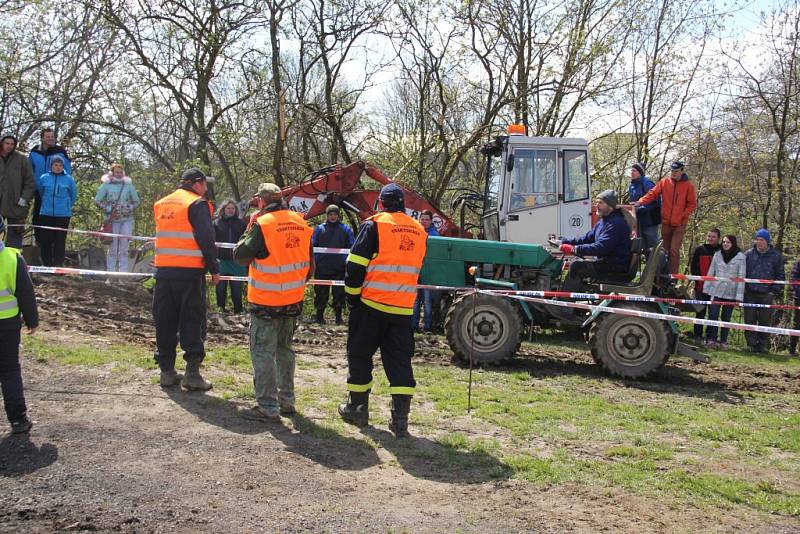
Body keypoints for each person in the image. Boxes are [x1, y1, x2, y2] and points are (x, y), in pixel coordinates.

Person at [338, 183, 427, 438]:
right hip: (402, 310)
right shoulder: (419, 230)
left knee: (359, 355)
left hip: (370, 305)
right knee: (399, 362)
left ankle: (358, 408)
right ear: (403, 205)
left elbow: (354, 266)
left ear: (381, 203)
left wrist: (352, 297)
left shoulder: (375, 224)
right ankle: (400, 421)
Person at [234, 183, 314, 421]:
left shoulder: (263, 224)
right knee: (285, 350)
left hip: (265, 302)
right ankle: (286, 401)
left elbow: (240, 257)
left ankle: (267, 407)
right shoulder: (302, 222)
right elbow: (310, 266)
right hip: (293, 300)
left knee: (263, 353)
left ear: (261, 201)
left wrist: (248, 229)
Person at [152, 168, 220, 389]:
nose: (207, 189)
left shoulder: (162, 203)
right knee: (192, 321)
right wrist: (214, 268)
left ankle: (167, 372)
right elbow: (206, 239)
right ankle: (192, 374)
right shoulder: (197, 204)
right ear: (197, 184)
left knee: (165, 321)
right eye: (205, 184)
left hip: (163, 273)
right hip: (190, 273)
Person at [0, 216, 39, 434]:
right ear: (3, 233)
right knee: (9, 369)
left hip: (8, 323)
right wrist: (32, 321)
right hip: (7, 324)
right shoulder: (12, 259)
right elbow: (26, 293)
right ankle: (18, 419)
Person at [557, 189, 632, 292]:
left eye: (601, 203)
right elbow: (587, 238)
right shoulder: (604, 221)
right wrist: (565, 242)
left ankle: (564, 304)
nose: (597, 205)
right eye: (597, 202)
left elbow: (602, 247)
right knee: (575, 263)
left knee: (577, 266)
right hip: (607, 263)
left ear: (610, 206)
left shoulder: (616, 224)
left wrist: (575, 249)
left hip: (614, 266)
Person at [633, 161, 697, 273]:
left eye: (676, 171)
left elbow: (692, 204)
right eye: (672, 171)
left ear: (682, 171)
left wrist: (683, 215)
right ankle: (663, 275)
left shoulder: (688, 186)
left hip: (680, 224)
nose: (673, 173)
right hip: (666, 223)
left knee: (673, 250)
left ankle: (673, 276)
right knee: (664, 251)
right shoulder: (665, 182)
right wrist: (640, 202)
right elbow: (652, 194)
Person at [311, 204, 354, 325]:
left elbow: (351, 246)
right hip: (322, 268)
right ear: (327, 215)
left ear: (338, 215)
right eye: (330, 214)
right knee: (320, 292)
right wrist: (318, 261)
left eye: (335, 214)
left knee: (339, 293)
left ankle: (338, 318)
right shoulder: (320, 229)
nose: (333, 216)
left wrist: (344, 261)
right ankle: (319, 317)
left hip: (339, 268)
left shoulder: (345, 229)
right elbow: (313, 246)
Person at [29, 128, 73, 247]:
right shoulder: (34, 152)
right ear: (42, 138)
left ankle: (54, 246)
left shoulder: (60, 151)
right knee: (37, 217)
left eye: (52, 136)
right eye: (48, 136)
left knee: (56, 221)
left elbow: (68, 170)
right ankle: (40, 244)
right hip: (39, 190)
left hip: (57, 192)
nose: (50, 138)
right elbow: (29, 170)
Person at [743, 229, 785, 353]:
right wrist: (744, 288)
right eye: (757, 239)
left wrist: (774, 291)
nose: (759, 242)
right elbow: (741, 272)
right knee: (749, 320)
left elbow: (780, 275)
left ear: (767, 241)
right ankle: (751, 344)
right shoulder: (748, 254)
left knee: (764, 320)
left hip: (767, 294)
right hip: (749, 292)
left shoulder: (776, 256)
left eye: (761, 240)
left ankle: (762, 345)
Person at [94, 163, 141, 272]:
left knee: (124, 248)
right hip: (112, 221)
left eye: (120, 172)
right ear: (112, 172)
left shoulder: (128, 185)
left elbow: (137, 201)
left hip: (127, 220)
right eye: (116, 172)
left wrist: (129, 207)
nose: (119, 174)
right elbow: (97, 200)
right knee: (112, 248)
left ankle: (122, 274)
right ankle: (110, 273)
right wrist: (108, 208)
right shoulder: (106, 185)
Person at [704, 235, 745, 349]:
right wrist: (706, 289)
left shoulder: (741, 257)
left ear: (733, 243)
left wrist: (739, 297)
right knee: (713, 315)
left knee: (726, 318)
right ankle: (711, 339)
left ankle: (723, 342)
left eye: (728, 242)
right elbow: (711, 272)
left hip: (731, 292)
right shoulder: (717, 254)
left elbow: (742, 277)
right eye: (724, 242)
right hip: (716, 290)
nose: (725, 244)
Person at [35, 155, 77, 266]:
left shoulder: (69, 179)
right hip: (46, 213)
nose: (58, 167)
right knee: (46, 240)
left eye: (60, 165)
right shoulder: (44, 177)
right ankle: (47, 264)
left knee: (60, 240)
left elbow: (73, 195)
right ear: (51, 166)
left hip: (63, 215)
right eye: (56, 165)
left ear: (63, 166)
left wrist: (66, 206)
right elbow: (41, 191)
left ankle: (58, 264)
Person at [0, 134, 35, 249]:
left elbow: (30, 181)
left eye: (12, 144)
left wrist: (25, 198)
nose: (9, 146)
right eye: (7, 143)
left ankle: (15, 264)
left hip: (16, 205)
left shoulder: (22, 159)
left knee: (14, 239)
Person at [213, 199, 247, 313]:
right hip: (221, 261)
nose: (230, 210)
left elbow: (246, 240)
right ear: (223, 209)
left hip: (237, 262)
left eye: (232, 208)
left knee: (237, 289)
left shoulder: (241, 223)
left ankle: (238, 311)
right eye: (228, 208)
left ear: (235, 210)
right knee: (220, 288)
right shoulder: (216, 223)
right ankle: (220, 309)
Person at [689, 229, 721, 343]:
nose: (710, 238)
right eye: (709, 236)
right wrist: (698, 281)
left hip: (716, 288)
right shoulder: (700, 250)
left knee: (713, 313)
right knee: (700, 312)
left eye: (713, 237)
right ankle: (697, 336)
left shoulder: (721, 250)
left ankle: (711, 338)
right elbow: (694, 267)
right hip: (701, 287)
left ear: (718, 238)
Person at [412, 210, 439, 332]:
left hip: (429, 272)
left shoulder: (435, 235)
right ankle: (414, 326)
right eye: (422, 219)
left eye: (427, 219)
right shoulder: (415, 232)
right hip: (416, 271)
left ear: (431, 221)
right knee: (415, 300)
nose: (424, 221)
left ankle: (427, 326)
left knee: (427, 301)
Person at [628, 162, 660, 252]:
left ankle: (656, 265)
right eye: (631, 171)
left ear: (640, 172)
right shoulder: (632, 186)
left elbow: (655, 201)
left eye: (634, 171)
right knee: (642, 247)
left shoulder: (647, 183)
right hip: (639, 221)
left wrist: (641, 209)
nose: (631, 173)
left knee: (652, 247)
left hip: (650, 221)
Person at [789, 258, 800, 356]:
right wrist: (798, 290)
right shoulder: (799, 263)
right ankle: (792, 350)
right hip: (799, 298)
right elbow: (793, 278)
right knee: (797, 324)